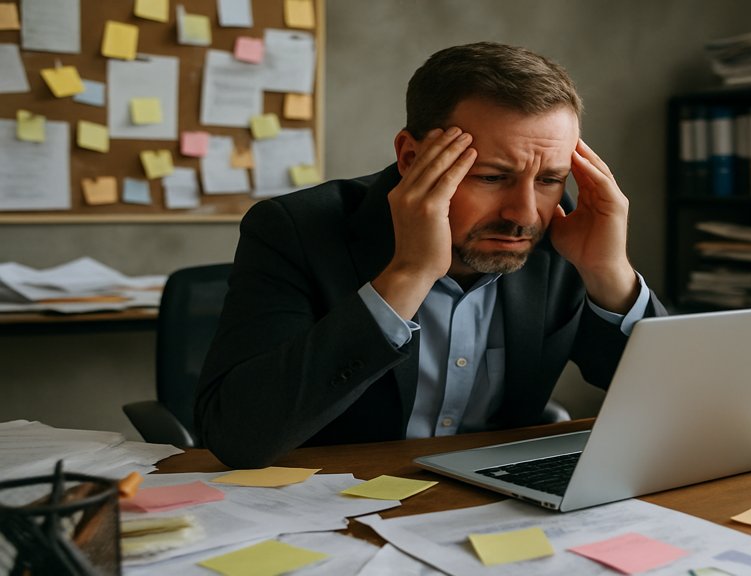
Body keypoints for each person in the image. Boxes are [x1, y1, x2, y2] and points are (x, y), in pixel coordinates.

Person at [195, 42, 666, 468]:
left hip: (497, 504)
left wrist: (608, 273)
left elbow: (679, 405)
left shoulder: (562, 234)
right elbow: (237, 437)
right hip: (336, 503)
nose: (525, 214)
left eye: (549, 180)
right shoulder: (296, 229)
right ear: (410, 158)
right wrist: (408, 274)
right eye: (491, 177)